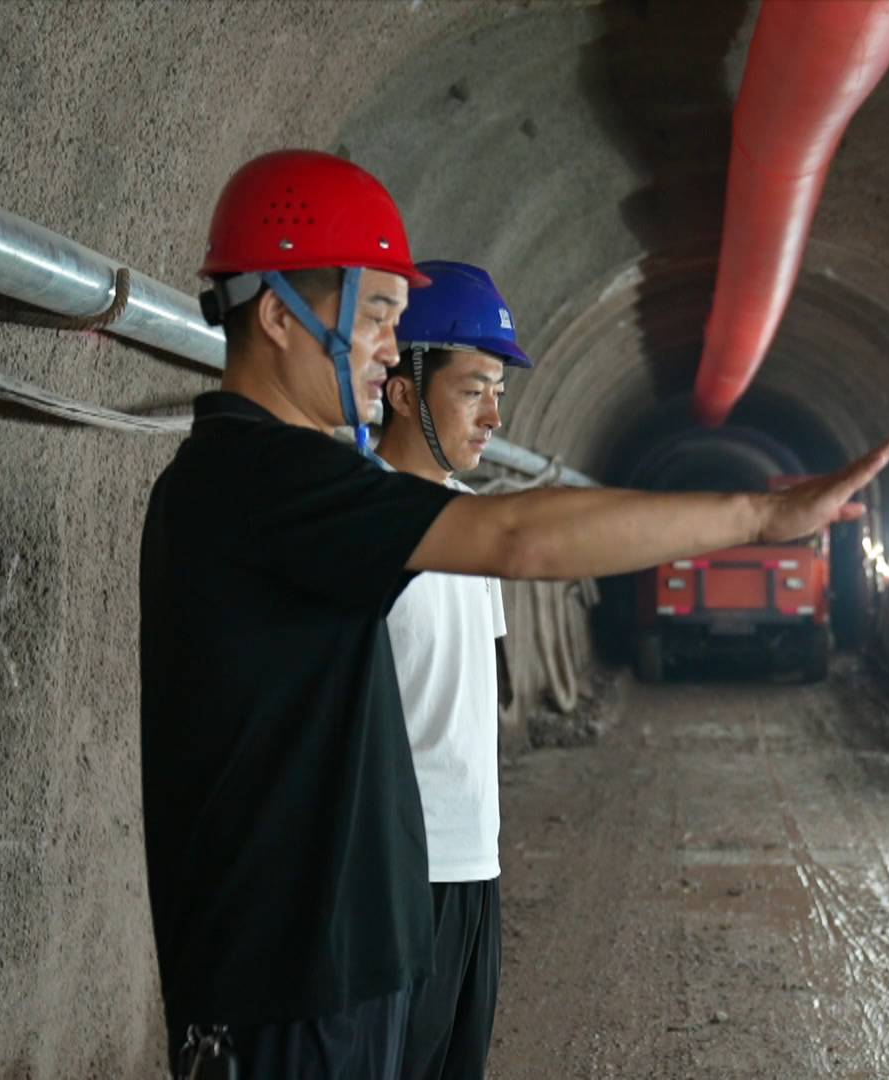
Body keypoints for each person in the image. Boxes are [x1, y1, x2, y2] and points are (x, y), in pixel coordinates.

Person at [142, 150, 889, 1079]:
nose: (388, 345)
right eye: (378, 314)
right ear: (276, 314)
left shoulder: (292, 482)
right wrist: (758, 517)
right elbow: (518, 539)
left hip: (339, 968)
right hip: (286, 988)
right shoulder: (259, 478)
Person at [372, 261, 526, 1080]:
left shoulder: (471, 523)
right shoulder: (362, 521)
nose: (494, 415)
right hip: (394, 882)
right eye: (473, 389)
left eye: (497, 390)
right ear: (402, 388)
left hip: (474, 868)